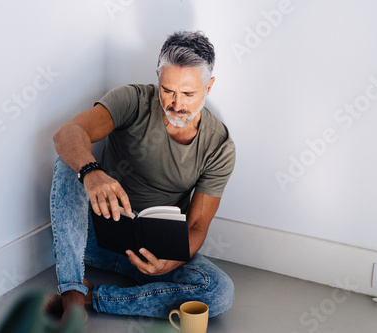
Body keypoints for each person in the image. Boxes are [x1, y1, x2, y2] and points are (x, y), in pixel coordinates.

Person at [46, 31, 236, 321]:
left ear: (208, 87)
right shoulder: (132, 100)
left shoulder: (219, 145)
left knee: (219, 292)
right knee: (68, 164)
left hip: (153, 253)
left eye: (188, 94)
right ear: (158, 79)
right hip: (93, 240)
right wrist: (92, 172)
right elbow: (68, 134)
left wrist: (171, 262)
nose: (176, 104)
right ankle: (72, 291)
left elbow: (197, 225)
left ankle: (95, 298)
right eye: (168, 90)